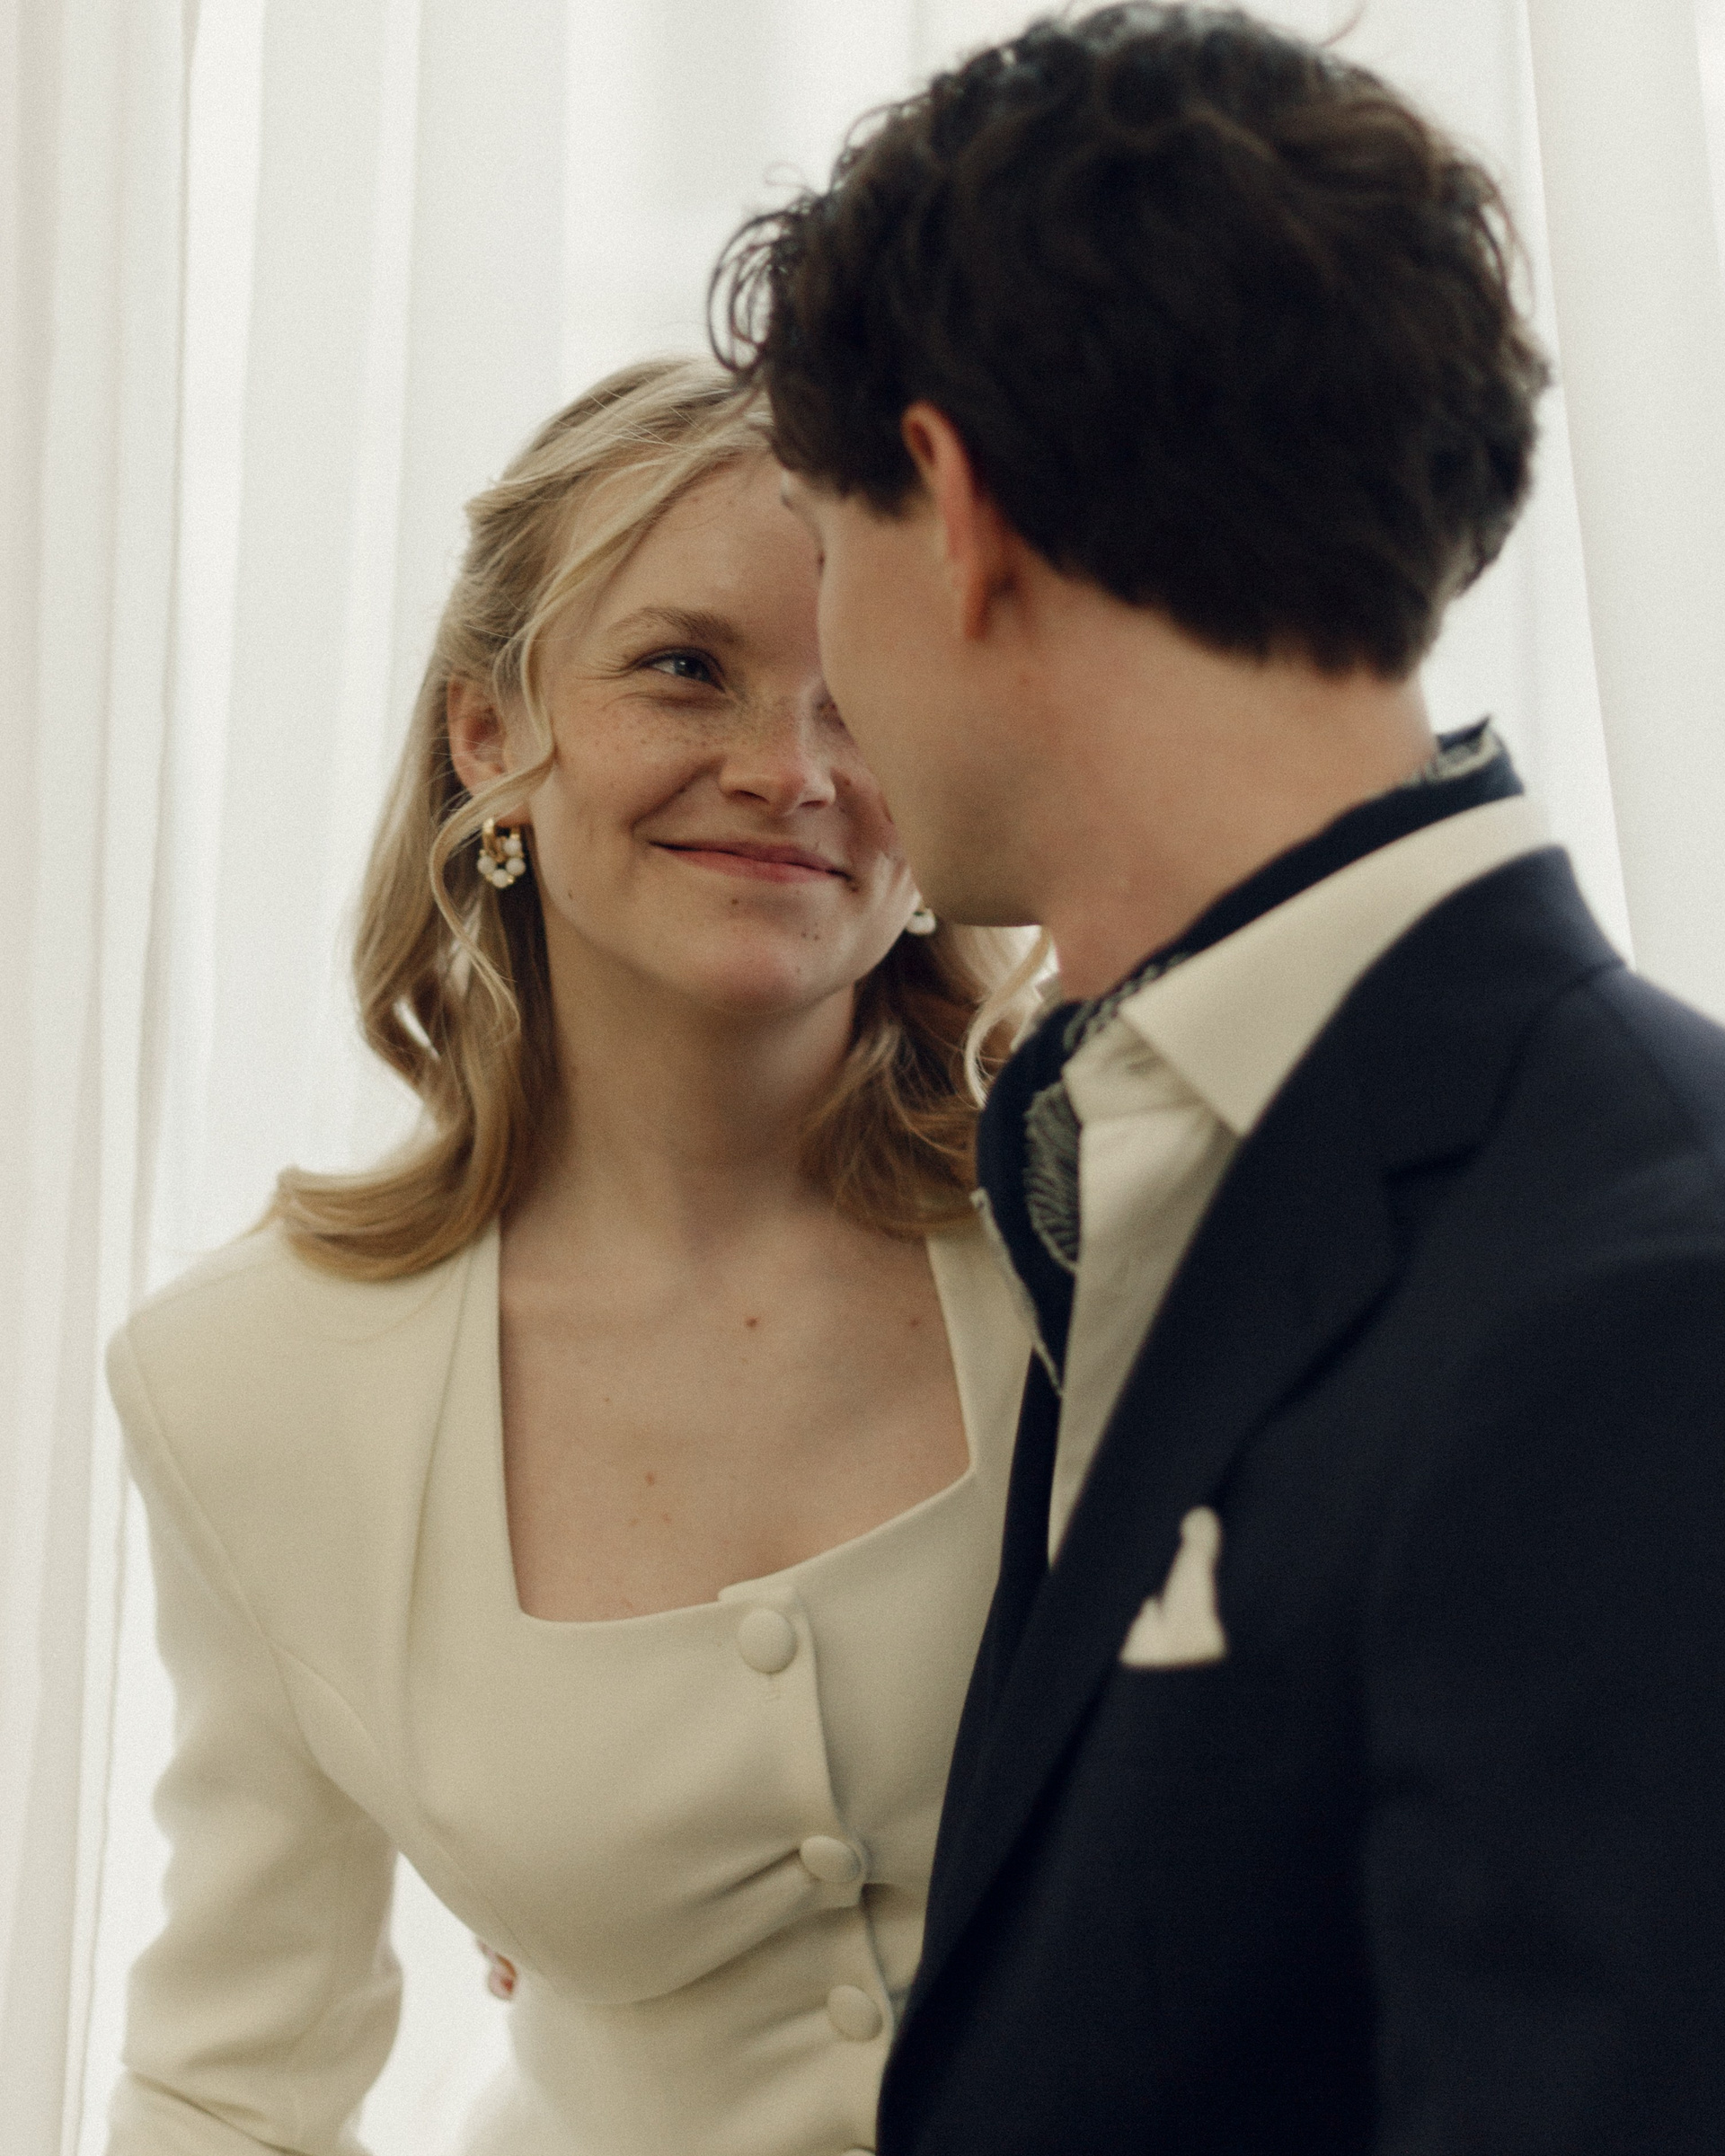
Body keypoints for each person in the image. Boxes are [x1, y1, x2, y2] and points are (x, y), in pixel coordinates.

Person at [713, 5, 1725, 2152]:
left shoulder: (1642, 1301)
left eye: (820, 539)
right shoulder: (1127, 1157)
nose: (826, 686)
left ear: (956, 514)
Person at [105, 355, 1039, 2156]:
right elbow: (231, 2086)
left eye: (867, 698)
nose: (789, 771)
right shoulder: (250, 1382)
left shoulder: (1111, 1228)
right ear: (487, 736)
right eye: (684, 668)